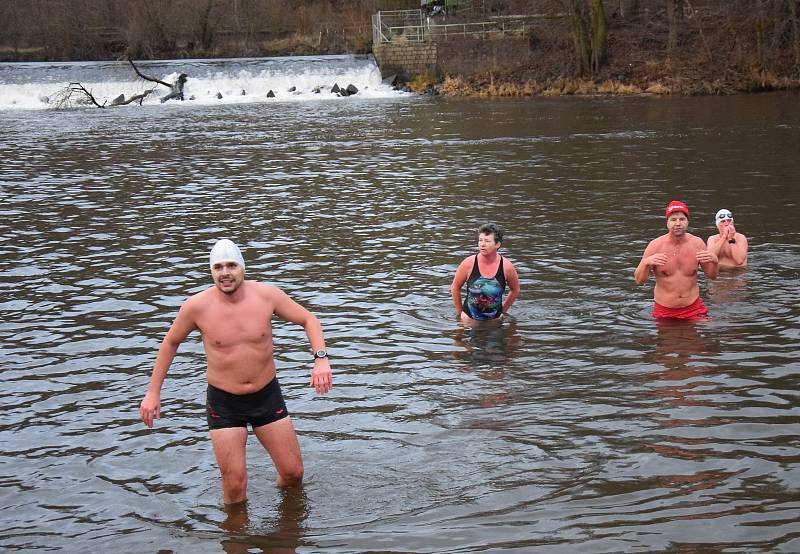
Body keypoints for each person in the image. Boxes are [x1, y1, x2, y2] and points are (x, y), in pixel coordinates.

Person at [139, 239, 333, 504]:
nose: (225, 273)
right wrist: (153, 392)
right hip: (225, 401)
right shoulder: (196, 306)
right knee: (234, 485)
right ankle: (236, 540)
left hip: (266, 395)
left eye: (231, 265)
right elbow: (171, 343)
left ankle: (285, 528)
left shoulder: (267, 296)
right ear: (211, 271)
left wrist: (320, 359)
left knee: (292, 473)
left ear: (243, 268)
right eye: (218, 267)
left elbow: (308, 319)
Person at [634, 201, 718, 320]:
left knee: (710, 334)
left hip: (694, 308)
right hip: (665, 310)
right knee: (669, 338)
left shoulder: (697, 243)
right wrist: (646, 262)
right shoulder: (655, 245)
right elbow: (639, 280)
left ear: (687, 221)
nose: (678, 223)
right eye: (673, 220)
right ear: (667, 222)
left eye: (682, 219)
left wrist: (715, 261)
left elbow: (712, 276)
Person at [451, 222, 520, 322]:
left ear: (497, 244)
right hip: (469, 321)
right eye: (480, 240)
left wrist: (503, 311)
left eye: (487, 241)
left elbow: (515, 290)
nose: (482, 244)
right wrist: (459, 313)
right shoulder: (468, 263)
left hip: (494, 322)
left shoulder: (506, 266)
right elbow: (455, 287)